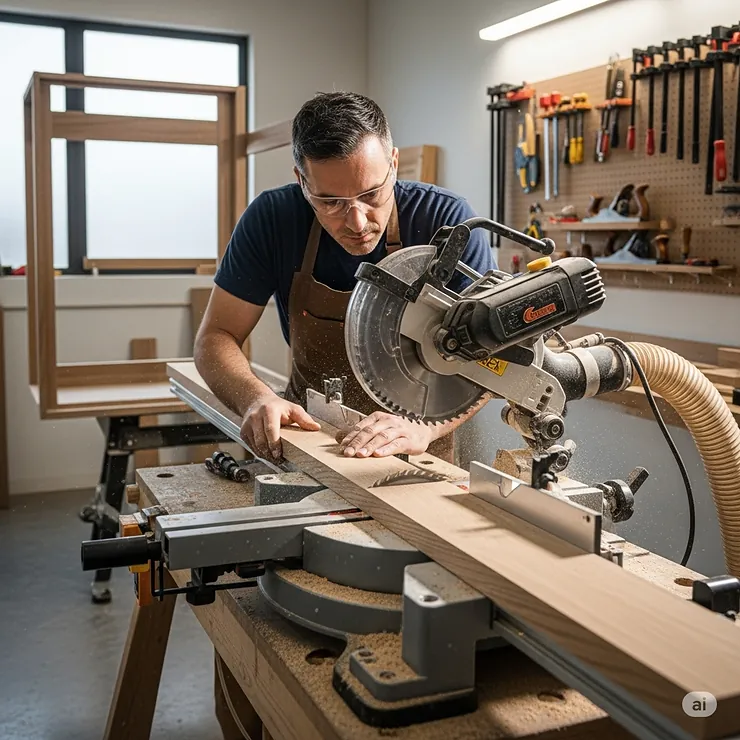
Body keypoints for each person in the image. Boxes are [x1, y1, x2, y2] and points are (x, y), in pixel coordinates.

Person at [194, 91, 495, 464]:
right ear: (302, 181)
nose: (357, 222)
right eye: (330, 202)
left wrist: (425, 428)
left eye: (371, 194)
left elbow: (491, 354)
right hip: (309, 441)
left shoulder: (449, 223)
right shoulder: (272, 220)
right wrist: (256, 396)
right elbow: (214, 338)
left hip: (417, 450)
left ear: (394, 163)